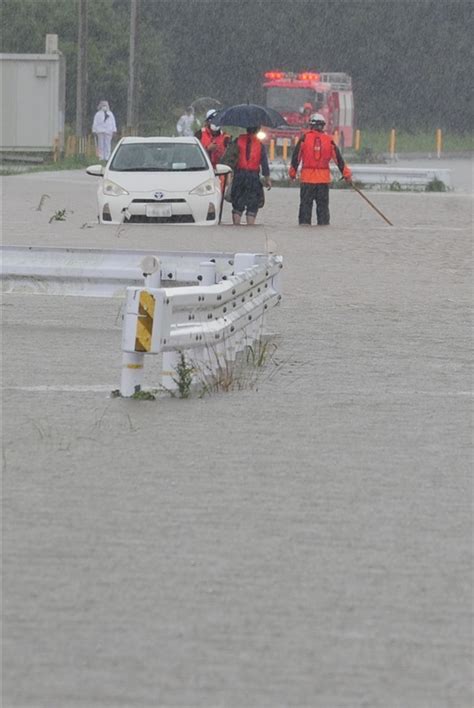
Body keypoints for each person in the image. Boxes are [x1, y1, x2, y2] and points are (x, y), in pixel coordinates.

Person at [289, 112, 352, 225]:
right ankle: (323, 230)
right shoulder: (329, 140)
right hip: (323, 181)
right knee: (323, 210)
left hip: (307, 181)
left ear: (311, 125)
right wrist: (346, 175)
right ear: (322, 126)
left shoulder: (304, 138)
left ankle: (304, 230)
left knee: (305, 209)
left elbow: (296, 158)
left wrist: (292, 174)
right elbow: (339, 159)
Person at [230, 126, 272, 226]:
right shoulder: (260, 145)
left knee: (237, 205)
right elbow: (264, 164)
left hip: (239, 176)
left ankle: (236, 226)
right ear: (257, 130)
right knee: (252, 205)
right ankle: (250, 228)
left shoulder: (237, 140)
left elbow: (230, 158)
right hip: (253, 178)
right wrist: (267, 179)